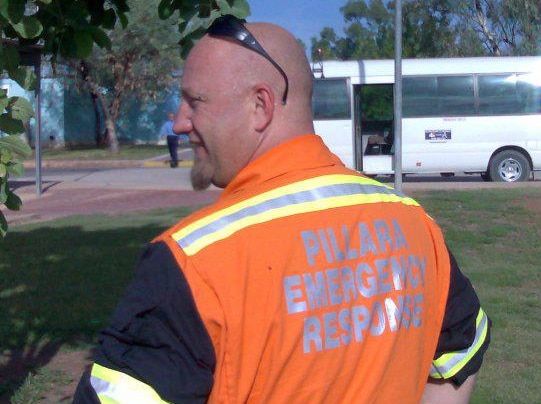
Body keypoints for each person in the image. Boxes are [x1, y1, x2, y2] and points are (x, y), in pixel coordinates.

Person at [73, 16, 490, 404]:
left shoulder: (193, 264)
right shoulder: (415, 224)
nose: (180, 123)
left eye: (194, 101)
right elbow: (459, 358)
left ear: (261, 106)